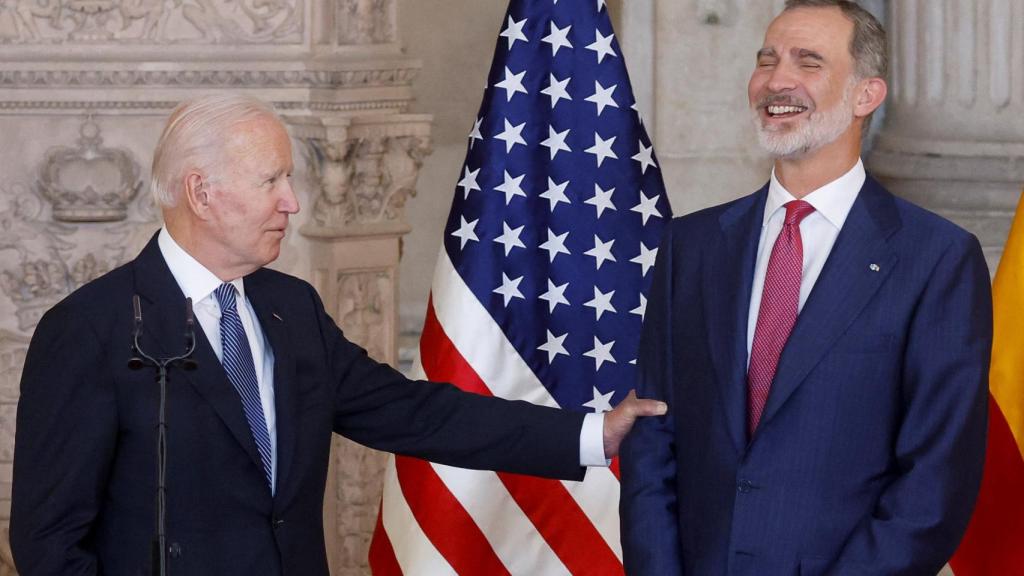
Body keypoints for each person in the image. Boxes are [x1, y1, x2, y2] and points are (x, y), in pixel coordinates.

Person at [10, 94, 666, 575]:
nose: (292, 201)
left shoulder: (288, 308)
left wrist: (589, 433)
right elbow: (50, 542)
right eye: (271, 180)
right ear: (202, 192)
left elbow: (413, 412)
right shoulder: (89, 331)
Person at [620, 1, 992, 574]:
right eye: (767, 59)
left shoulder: (936, 259)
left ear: (867, 95)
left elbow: (935, 480)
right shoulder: (691, 246)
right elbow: (652, 436)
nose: (777, 80)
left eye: (808, 62)